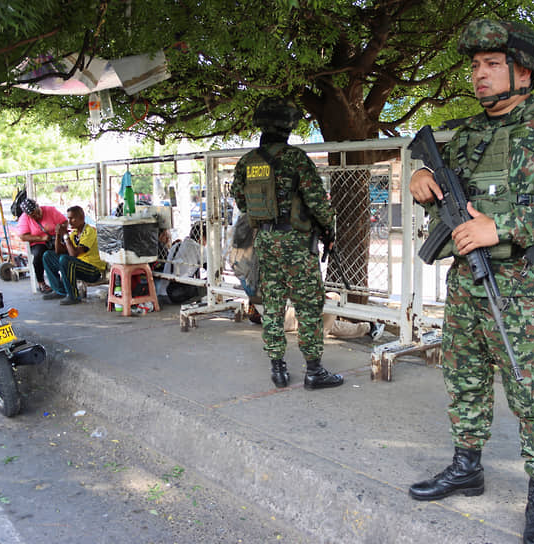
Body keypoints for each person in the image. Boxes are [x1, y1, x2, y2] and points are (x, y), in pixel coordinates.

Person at [406, 19, 534, 544]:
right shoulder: (468, 133)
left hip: (525, 289)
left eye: (491, 64)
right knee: (464, 377)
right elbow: (441, 187)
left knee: (531, 389)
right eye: (475, 66)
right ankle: (467, 466)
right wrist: (419, 179)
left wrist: (501, 226)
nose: (479, 75)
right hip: (467, 282)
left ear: (523, 71)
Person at [231, 97, 343, 391]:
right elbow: (318, 203)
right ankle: (314, 372)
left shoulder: (247, 163)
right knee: (307, 306)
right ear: (287, 127)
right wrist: (329, 231)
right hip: (297, 243)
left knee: (273, 304)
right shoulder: (297, 160)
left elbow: (242, 201)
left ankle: (278, 369)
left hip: (266, 241)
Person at [42, 205, 106, 305]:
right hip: (77, 266)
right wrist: (58, 235)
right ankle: (60, 290)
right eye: (68, 218)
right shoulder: (75, 233)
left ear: (81, 218)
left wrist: (65, 235)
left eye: (72, 218)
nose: (69, 221)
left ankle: (73, 296)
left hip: (93, 270)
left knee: (66, 260)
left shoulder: (90, 231)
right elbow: (59, 251)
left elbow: (74, 253)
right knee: (48, 256)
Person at [16, 198, 67, 294]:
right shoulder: (24, 218)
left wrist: (59, 230)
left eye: (37, 212)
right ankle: (41, 283)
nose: (37, 216)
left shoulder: (50, 210)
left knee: (64, 253)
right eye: (33, 216)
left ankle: (64, 282)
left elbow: (64, 222)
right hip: (38, 243)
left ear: (38, 206)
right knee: (39, 255)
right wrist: (41, 238)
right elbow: (23, 236)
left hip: (56, 239)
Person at [284, 293, 385, 341]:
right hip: (287, 313)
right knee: (334, 298)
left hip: (283, 315)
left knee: (324, 322)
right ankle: (318, 336)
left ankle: (368, 327)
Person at [157, 220, 207, 304]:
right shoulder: (199, 248)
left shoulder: (177, 245)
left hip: (162, 293)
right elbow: (211, 269)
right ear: (202, 238)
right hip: (175, 295)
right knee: (213, 281)